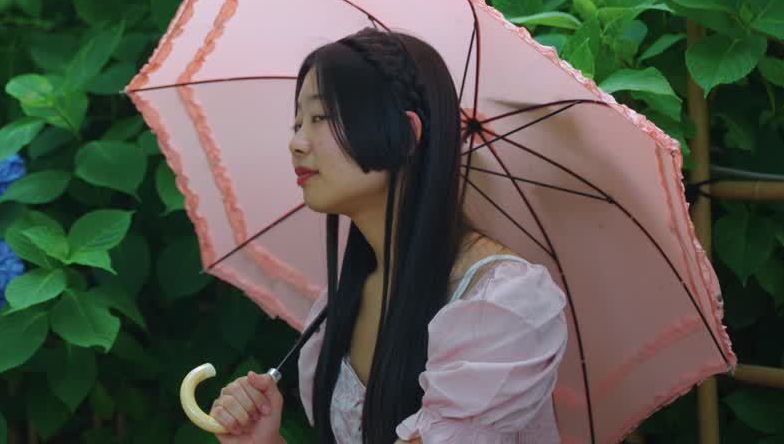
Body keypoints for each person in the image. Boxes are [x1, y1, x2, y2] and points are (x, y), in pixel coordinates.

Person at [208, 28, 569, 443]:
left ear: (407, 134)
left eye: (321, 117)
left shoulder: (500, 305)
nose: (296, 143)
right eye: (296, 122)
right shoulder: (338, 306)